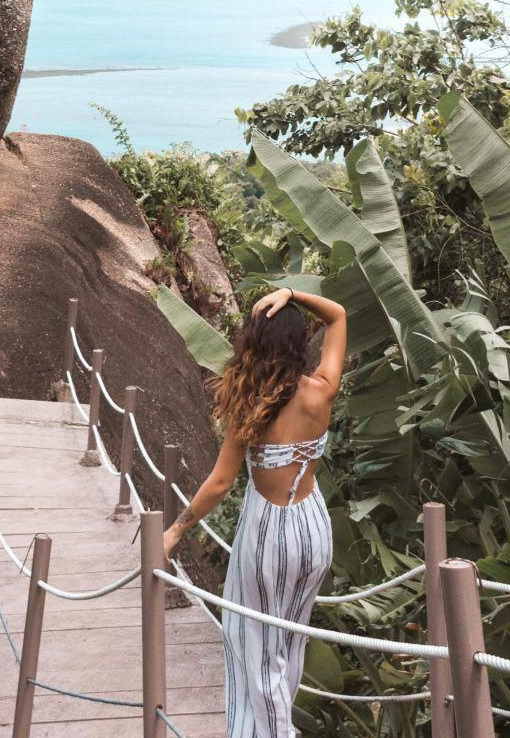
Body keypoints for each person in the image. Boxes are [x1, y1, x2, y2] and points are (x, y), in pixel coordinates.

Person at [164, 286, 346, 737]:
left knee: (253, 644)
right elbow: (339, 316)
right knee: (290, 638)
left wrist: (174, 532)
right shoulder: (320, 392)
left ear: (254, 342)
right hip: (314, 528)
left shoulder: (250, 406)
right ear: (298, 344)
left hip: (270, 532)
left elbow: (221, 483)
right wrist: (292, 294)